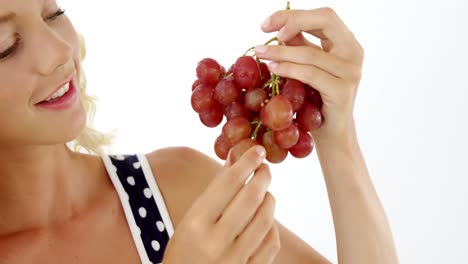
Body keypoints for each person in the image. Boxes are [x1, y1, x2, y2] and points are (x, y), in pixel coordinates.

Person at [0, 0, 399, 263]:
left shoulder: (173, 189)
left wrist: (338, 137)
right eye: (5, 45)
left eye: (53, 12)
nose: (59, 51)